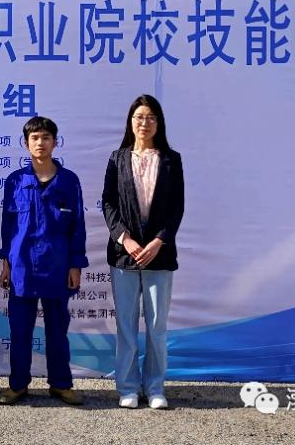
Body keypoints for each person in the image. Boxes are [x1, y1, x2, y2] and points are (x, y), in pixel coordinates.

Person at [0, 116, 88, 406]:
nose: (40, 143)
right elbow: (8, 226)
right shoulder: (16, 181)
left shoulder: (69, 181)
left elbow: (77, 226)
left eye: (46, 137)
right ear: (26, 144)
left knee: (57, 331)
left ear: (55, 142)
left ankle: (61, 384)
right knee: (20, 331)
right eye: (35, 138)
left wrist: (75, 264)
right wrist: (6, 262)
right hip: (22, 267)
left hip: (57, 267)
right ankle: (18, 385)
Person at [101, 94, 184, 410]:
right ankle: (127, 387)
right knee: (126, 325)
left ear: (158, 123)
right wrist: (125, 239)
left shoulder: (171, 160)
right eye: (139, 117)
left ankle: (155, 387)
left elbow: (177, 207)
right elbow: (108, 203)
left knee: (157, 326)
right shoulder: (117, 158)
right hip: (124, 255)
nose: (144, 123)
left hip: (159, 255)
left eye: (150, 117)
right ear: (130, 122)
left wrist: (158, 241)